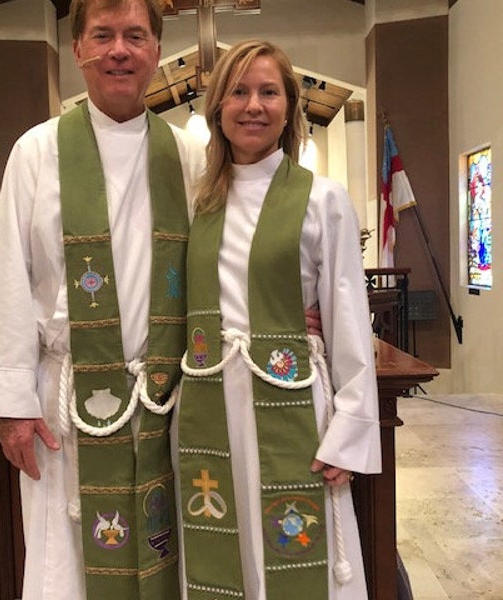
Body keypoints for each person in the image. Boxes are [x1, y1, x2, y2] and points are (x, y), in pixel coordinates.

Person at [0, 1, 205, 599]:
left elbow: (220, 264)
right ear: (78, 50)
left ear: (154, 51)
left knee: (164, 542)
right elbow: (10, 280)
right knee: (63, 559)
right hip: (65, 406)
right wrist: (13, 405)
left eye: (135, 36)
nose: (118, 50)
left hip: (165, 398)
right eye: (102, 35)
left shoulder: (187, 156)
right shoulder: (36, 152)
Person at [173, 40, 382, 600]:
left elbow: (348, 320)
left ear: (291, 107)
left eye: (269, 92)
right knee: (226, 551)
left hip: (290, 400)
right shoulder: (198, 203)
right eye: (238, 91)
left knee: (296, 553)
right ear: (217, 107)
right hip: (210, 405)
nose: (253, 105)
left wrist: (350, 432)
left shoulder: (322, 200)